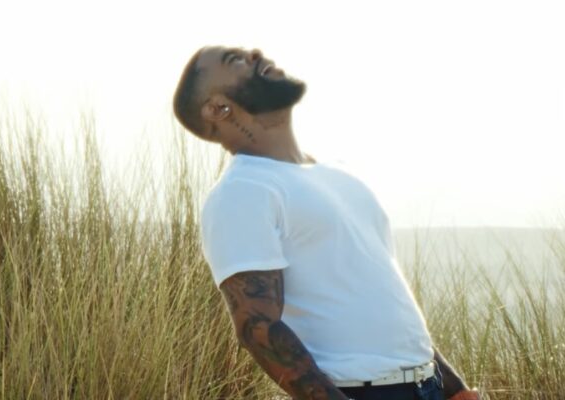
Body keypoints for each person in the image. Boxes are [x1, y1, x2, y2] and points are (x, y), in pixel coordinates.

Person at [172, 45, 480, 400]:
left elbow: (385, 304)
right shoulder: (242, 191)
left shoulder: (340, 176)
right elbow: (258, 327)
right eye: (235, 60)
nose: (255, 53)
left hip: (430, 387)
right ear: (217, 109)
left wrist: (456, 391)